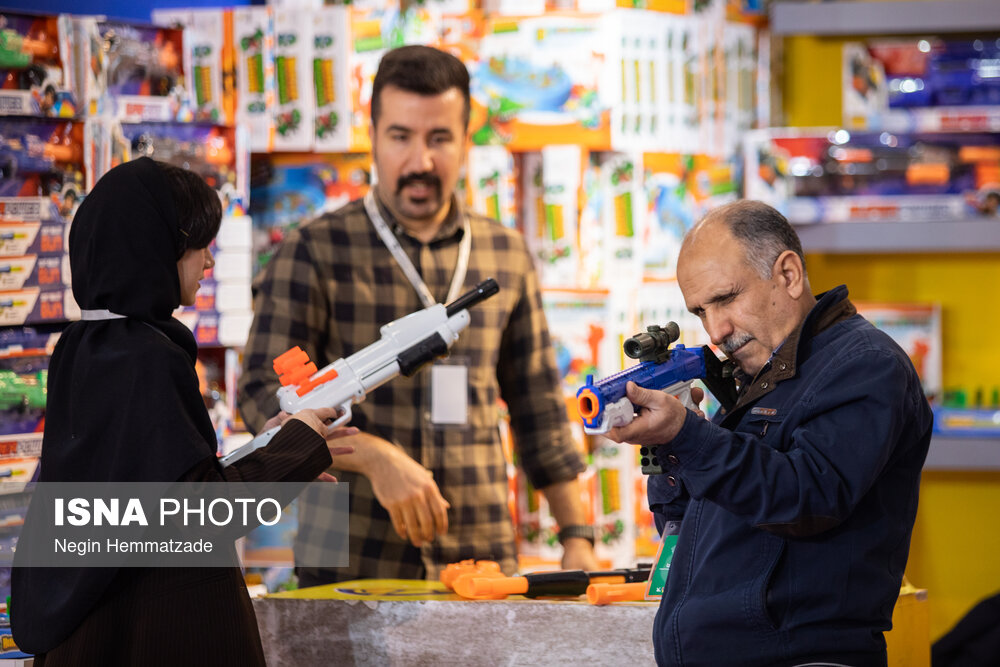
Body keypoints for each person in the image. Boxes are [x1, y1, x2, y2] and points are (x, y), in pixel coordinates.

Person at [238, 44, 599, 585]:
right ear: (373, 135)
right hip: (347, 554)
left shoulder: (504, 254)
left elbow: (540, 410)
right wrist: (372, 456)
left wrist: (578, 538)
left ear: (466, 138)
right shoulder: (314, 248)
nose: (420, 162)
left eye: (439, 138)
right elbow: (261, 396)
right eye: (401, 136)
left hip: (479, 553)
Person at [12, 157, 356, 665]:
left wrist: (274, 450)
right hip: (157, 631)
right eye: (200, 245)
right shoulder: (146, 355)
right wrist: (296, 448)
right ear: (156, 246)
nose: (209, 262)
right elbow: (195, 516)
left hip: (98, 630)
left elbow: (151, 500)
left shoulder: (83, 346)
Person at [605, 200, 932, 666]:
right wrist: (672, 447)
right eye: (700, 311)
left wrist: (688, 437)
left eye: (726, 298)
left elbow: (807, 498)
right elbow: (688, 529)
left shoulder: (866, 365)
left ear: (789, 274)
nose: (715, 329)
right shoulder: (760, 374)